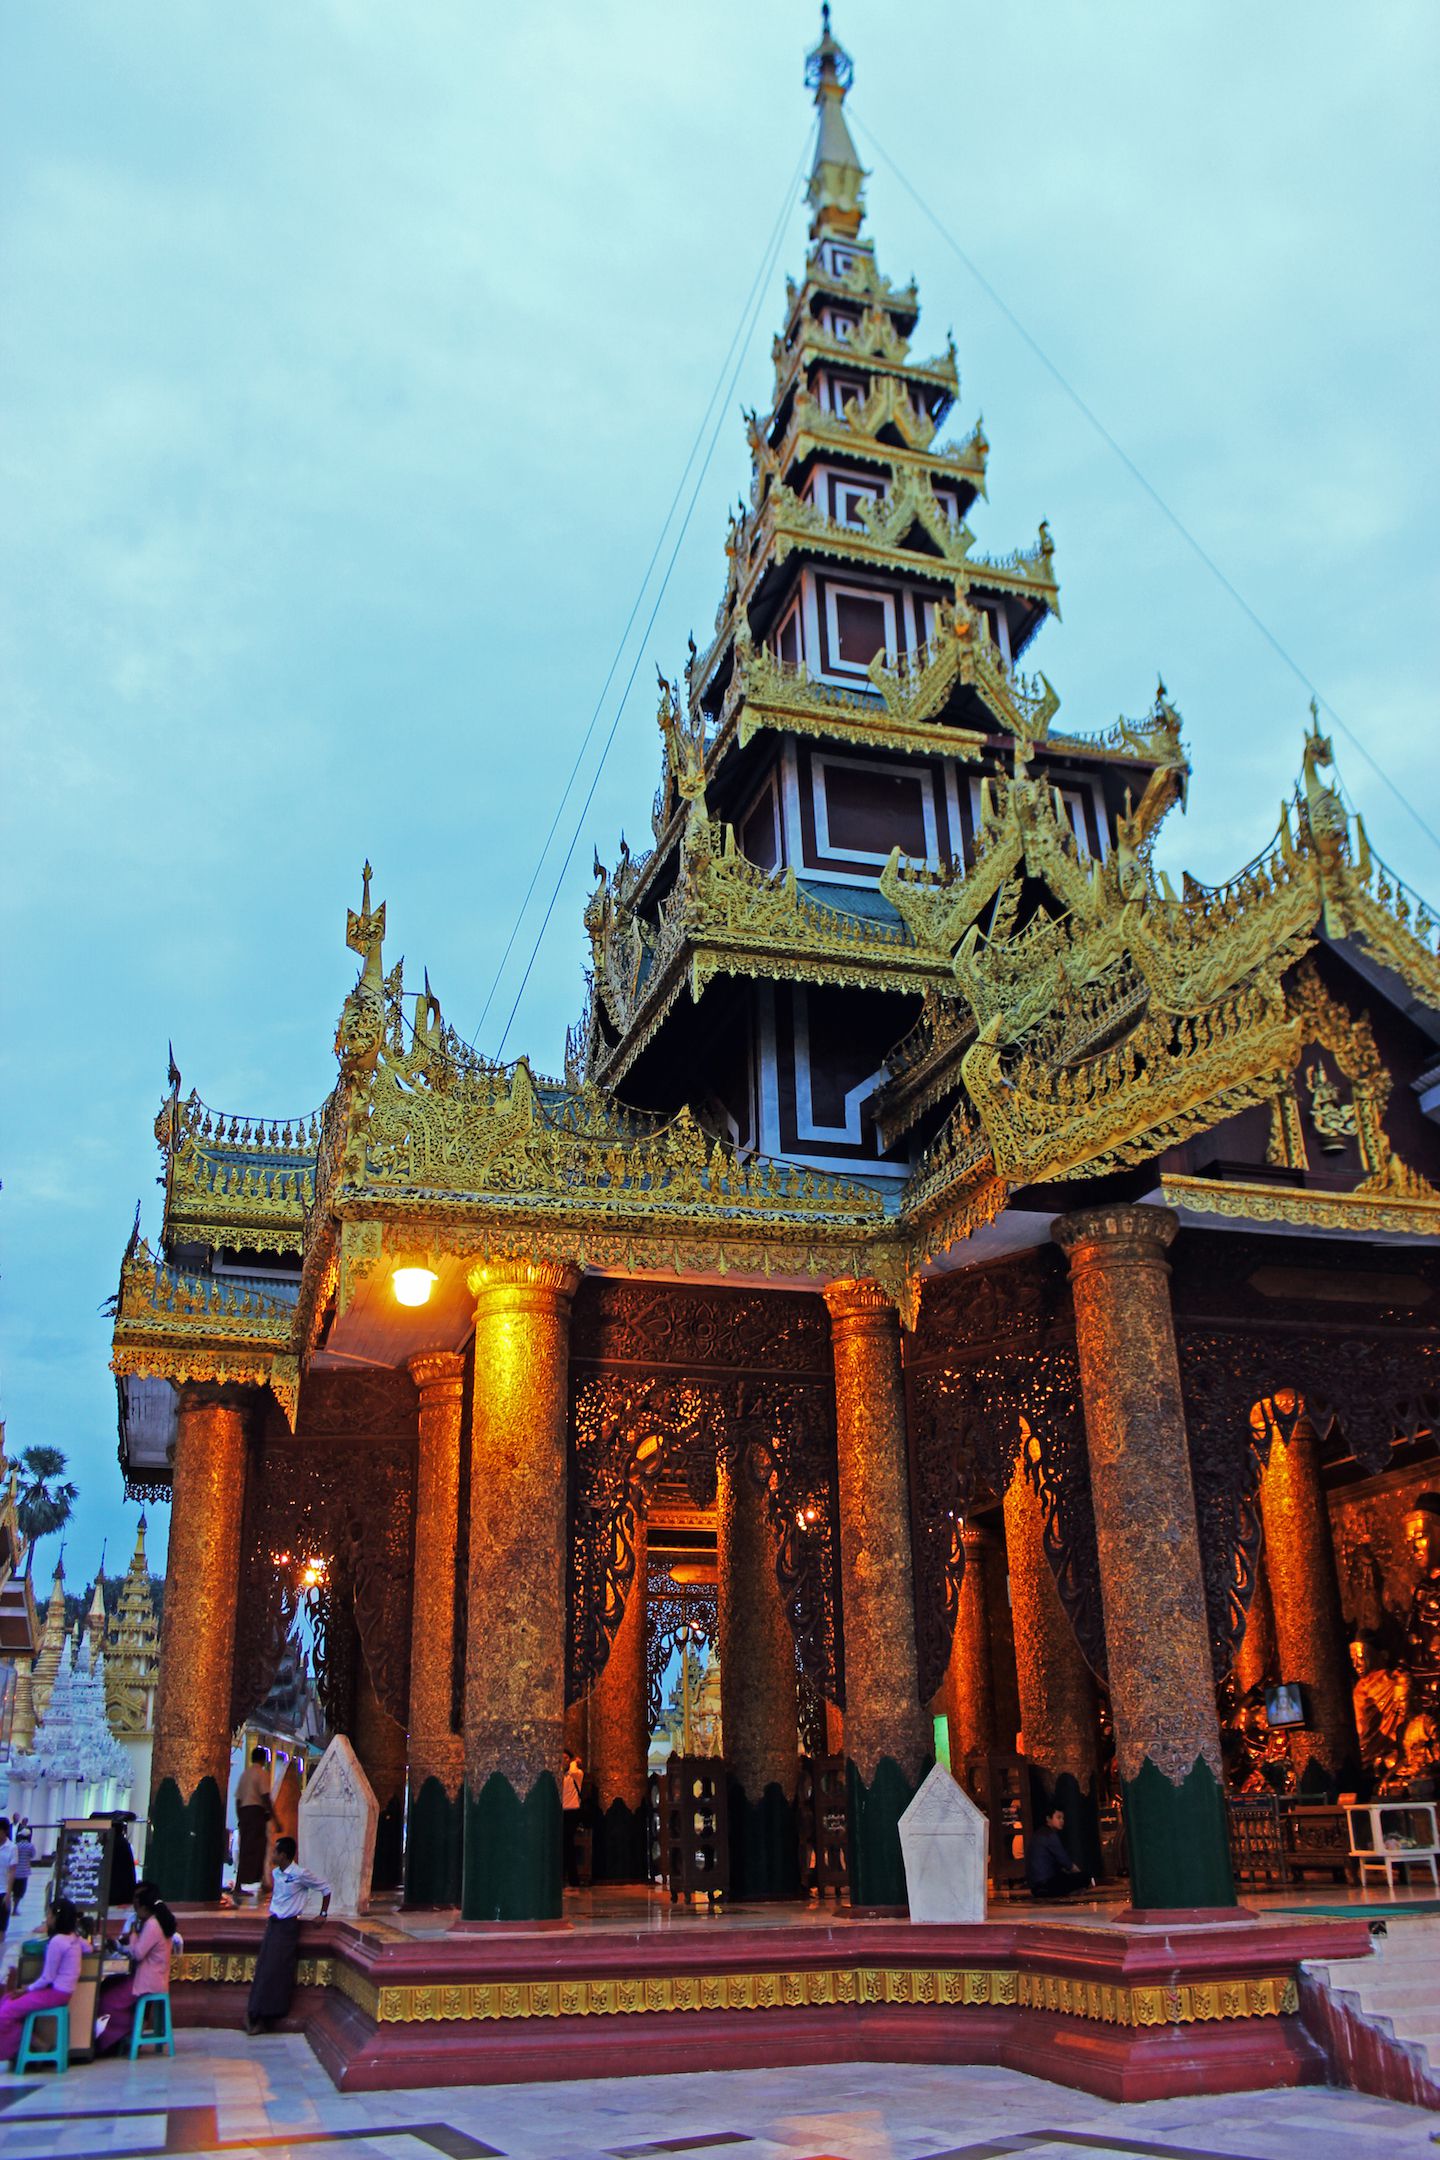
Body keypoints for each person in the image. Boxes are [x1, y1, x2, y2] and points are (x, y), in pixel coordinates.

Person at [244, 1836, 330, 2036]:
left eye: (276, 1852)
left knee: (276, 1971)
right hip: (274, 1924)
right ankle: (254, 2012)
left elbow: (325, 1888)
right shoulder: (276, 1873)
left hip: (288, 1927)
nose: (273, 1855)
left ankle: (267, 2014)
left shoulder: (300, 1874)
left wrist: (322, 1914)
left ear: (283, 1855)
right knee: (264, 1968)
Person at [93, 1880, 177, 2056]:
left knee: (107, 1999)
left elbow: (138, 1953)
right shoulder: (157, 1922)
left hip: (147, 1981)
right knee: (108, 1986)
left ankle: (116, 2037)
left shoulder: (153, 1925)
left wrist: (132, 1935)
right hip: (149, 1977)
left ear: (145, 1908)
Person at [0, 1898, 82, 2063]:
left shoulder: (57, 1942)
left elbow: (47, 1977)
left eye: (49, 1916)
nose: (47, 1920)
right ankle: (34, 2042)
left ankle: (27, 2045)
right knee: (7, 2000)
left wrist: (27, 1989)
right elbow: (89, 1947)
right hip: (63, 1992)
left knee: (6, 2010)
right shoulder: (74, 1938)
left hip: (57, 1993)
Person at [1026, 1805, 1090, 1901]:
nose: (1062, 1821)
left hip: (1035, 1887)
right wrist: (1080, 1875)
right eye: (1058, 1817)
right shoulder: (1050, 1835)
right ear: (1048, 1819)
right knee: (1084, 1877)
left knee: (1066, 1876)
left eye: (1063, 1818)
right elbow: (1066, 1862)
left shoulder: (1039, 1834)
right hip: (1046, 1886)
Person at [234, 1747, 274, 1901]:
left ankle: (243, 1883)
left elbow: (238, 1799)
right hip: (256, 1813)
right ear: (263, 1759)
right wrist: (273, 1818)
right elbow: (265, 1797)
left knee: (246, 1849)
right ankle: (260, 1882)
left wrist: (241, 1818)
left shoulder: (245, 1774)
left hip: (245, 1814)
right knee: (258, 1848)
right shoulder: (261, 1774)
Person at [561, 1751, 583, 1888]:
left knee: (567, 1844)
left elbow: (574, 1769)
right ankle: (564, 1878)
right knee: (562, 1844)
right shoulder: (560, 1775)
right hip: (561, 1812)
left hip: (572, 1811)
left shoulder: (577, 1774)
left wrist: (574, 1761)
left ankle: (573, 1879)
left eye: (566, 1758)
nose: (563, 1760)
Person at [11, 1824, 33, 1916]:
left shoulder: (16, 1846)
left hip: (14, 1872)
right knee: (19, 1893)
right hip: (24, 1873)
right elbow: (32, 1855)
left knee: (12, 1890)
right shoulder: (30, 1846)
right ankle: (15, 1909)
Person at [0, 1820, 15, 1937]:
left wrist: (8, 1894)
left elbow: (12, 1872)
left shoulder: (11, 1848)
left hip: (3, 1891)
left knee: (1, 1926)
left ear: (4, 1831)